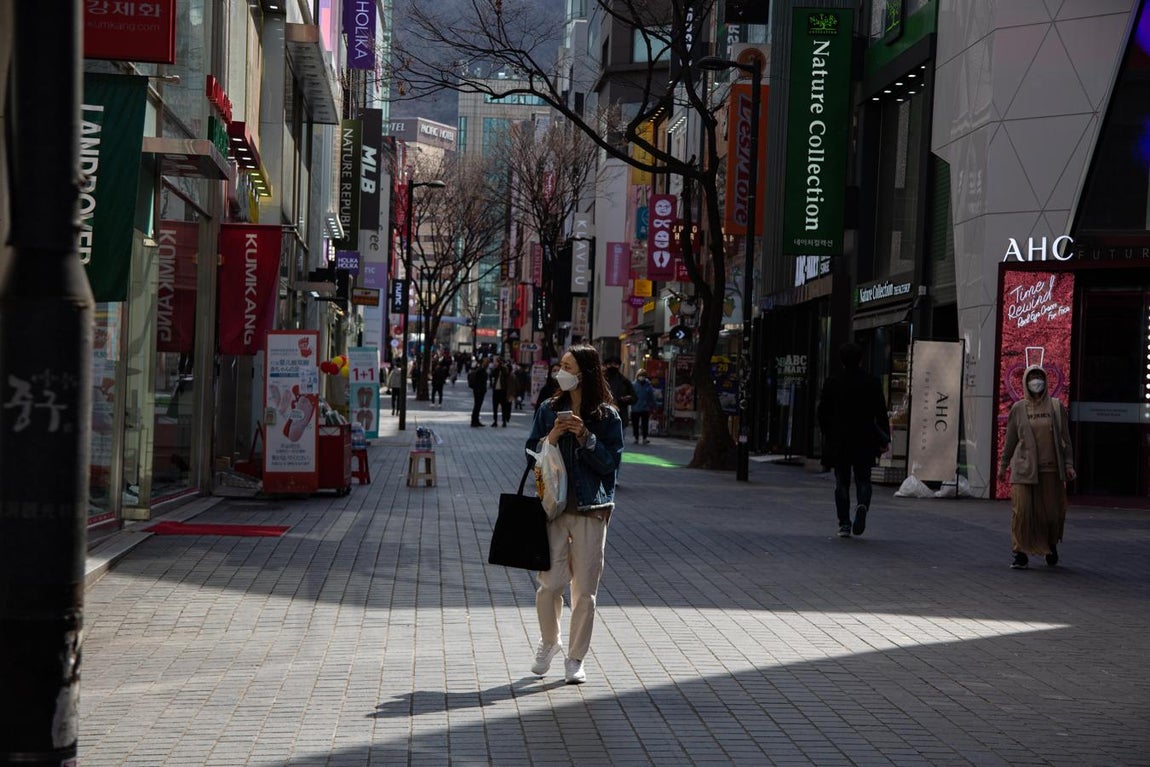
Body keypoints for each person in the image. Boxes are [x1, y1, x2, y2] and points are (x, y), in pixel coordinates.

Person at [525, 344, 623, 685]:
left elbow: (610, 466)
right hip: (553, 509)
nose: (560, 372)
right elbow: (530, 454)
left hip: (591, 510)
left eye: (567, 366)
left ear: (585, 372)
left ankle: (576, 658)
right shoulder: (549, 408)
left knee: (584, 591)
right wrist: (550, 437)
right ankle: (550, 642)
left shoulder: (607, 416)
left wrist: (586, 436)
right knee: (548, 586)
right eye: (560, 365)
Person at [997, 365, 1076, 569]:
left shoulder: (1056, 407)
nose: (1035, 381)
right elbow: (1010, 440)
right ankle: (1020, 553)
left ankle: (1050, 544)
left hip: (1050, 469)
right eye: (1031, 378)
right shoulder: (1019, 408)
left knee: (1051, 513)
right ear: (1025, 382)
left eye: (1039, 377)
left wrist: (1068, 464)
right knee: (1022, 512)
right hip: (1024, 469)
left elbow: (1066, 439)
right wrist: (1003, 466)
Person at [817, 342, 890, 538]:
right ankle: (862, 504)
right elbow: (881, 412)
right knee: (863, 478)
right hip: (865, 438)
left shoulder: (832, 382)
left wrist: (828, 433)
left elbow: (822, 412)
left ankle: (844, 524)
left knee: (841, 481)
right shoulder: (872, 382)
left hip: (840, 439)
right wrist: (884, 437)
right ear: (861, 360)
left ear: (841, 360)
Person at [603, 356, 636, 426]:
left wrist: (626, 399)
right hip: (603, 417)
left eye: (615, 364)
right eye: (610, 364)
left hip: (621, 416)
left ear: (619, 365)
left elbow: (634, 398)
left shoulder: (625, 381)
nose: (612, 366)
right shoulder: (601, 381)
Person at [630, 369, 657, 445]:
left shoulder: (648, 385)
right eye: (640, 376)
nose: (641, 377)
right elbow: (631, 395)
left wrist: (654, 406)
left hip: (645, 408)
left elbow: (651, 397)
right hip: (635, 408)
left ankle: (644, 438)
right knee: (635, 424)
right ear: (637, 376)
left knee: (645, 424)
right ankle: (636, 437)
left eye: (643, 376)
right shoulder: (633, 385)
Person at [490, 357, 511, 427]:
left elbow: (507, 373)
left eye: (496, 362)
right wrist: (495, 367)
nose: (495, 363)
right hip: (496, 390)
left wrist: (501, 366)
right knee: (495, 406)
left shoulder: (504, 368)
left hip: (502, 390)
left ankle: (504, 421)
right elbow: (492, 375)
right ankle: (495, 421)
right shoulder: (495, 369)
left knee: (503, 406)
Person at [467, 361, 488, 427]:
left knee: (477, 406)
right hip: (479, 390)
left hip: (478, 390)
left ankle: (476, 420)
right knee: (477, 406)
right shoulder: (481, 371)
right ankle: (474, 421)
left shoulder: (479, 369)